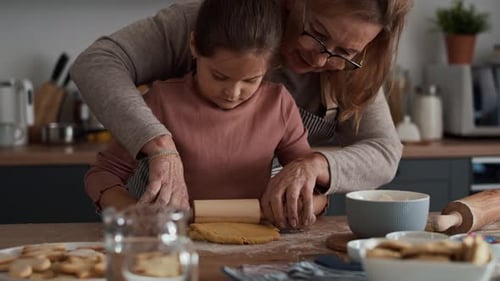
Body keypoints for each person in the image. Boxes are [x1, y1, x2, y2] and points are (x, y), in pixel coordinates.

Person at [72, 0, 412, 229]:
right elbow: (98, 62)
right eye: (318, 35)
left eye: (344, 53)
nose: (322, 60)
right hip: (162, 236)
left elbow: (384, 151)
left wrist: (312, 168)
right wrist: (159, 144)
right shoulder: (213, 21)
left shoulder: (292, 97)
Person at [84, 0, 329, 221]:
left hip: (255, 247)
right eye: (219, 76)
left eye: (251, 80)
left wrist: (302, 204)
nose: (233, 93)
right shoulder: (162, 101)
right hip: (173, 243)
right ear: (194, 46)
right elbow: (104, 175)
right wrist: (133, 213)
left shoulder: (279, 105)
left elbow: (313, 189)